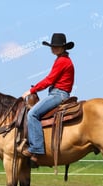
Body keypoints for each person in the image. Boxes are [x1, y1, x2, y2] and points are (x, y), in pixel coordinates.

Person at [19, 33, 75, 162]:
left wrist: (31, 91)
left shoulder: (62, 61)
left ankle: (36, 148)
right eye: (52, 46)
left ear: (63, 47)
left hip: (58, 94)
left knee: (32, 114)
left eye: (57, 46)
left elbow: (49, 80)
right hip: (60, 93)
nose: (54, 48)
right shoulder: (63, 60)